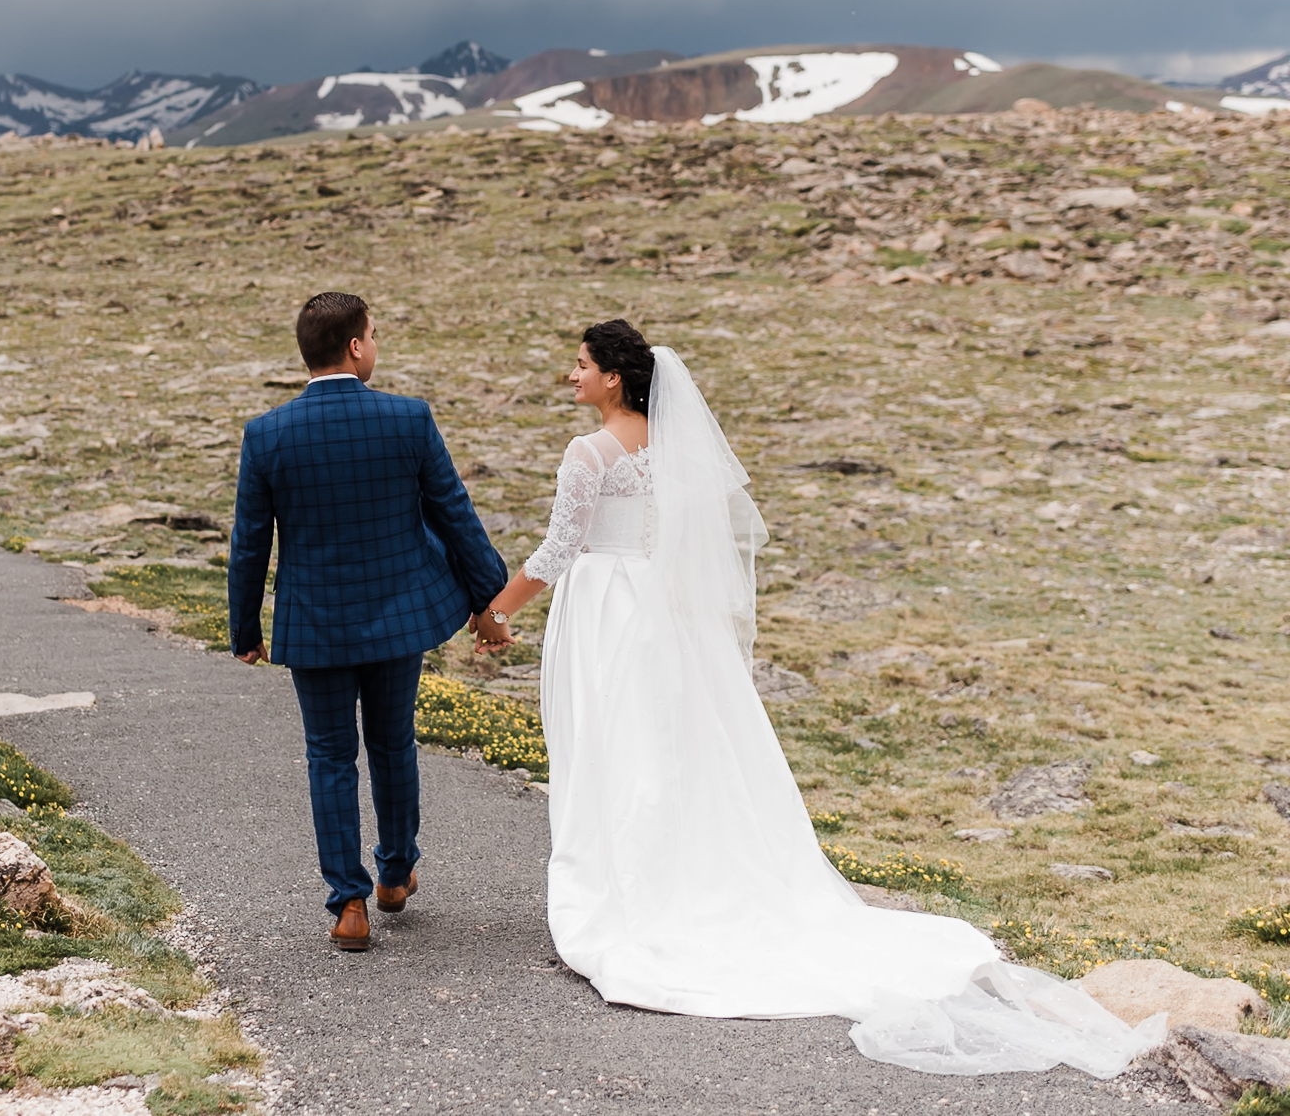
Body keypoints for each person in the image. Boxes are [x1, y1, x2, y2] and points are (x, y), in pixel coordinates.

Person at [471, 319, 1162, 1077]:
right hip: (661, 617)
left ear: (613, 378)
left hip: (606, 607)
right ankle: (675, 870)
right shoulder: (670, 449)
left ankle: (623, 888)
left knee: (610, 743)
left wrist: (498, 611)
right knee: (665, 747)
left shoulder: (589, 453)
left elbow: (559, 551)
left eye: (580, 366)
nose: (571, 378)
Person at [227, 291, 508, 952]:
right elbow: (455, 514)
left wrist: (245, 630)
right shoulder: (407, 419)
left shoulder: (266, 434)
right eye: (374, 335)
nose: (376, 345)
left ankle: (348, 905)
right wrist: (486, 599)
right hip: (396, 618)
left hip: (314, 623)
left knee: (329, 756)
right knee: (391, 744)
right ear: (355, 346)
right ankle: (395, 872)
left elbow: (248, 543)